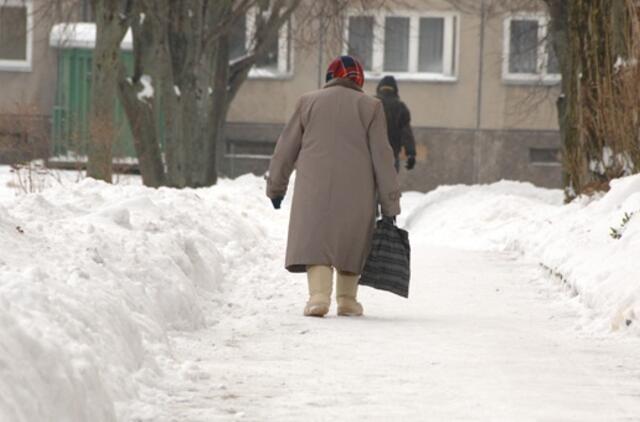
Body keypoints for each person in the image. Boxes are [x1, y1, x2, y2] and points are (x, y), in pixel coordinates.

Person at [266, 56, 400, 318]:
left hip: (313, 188)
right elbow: (383, 158)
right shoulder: (371, 107)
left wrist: (276, 188)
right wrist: (390, 204)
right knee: (352, 240)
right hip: (358, 192)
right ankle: (347, 300)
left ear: (330, 76)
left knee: (318, 238)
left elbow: (284, 150)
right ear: (359, 78)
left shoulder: (307, 102)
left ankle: (318, 297)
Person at [375, 75, 417, 172]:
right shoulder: (400, 107)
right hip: (391, 155)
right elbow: (406, 132)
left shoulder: (370, 104)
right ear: (395, 90)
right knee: (389, 184)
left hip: (371, 155)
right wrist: (411, 154)